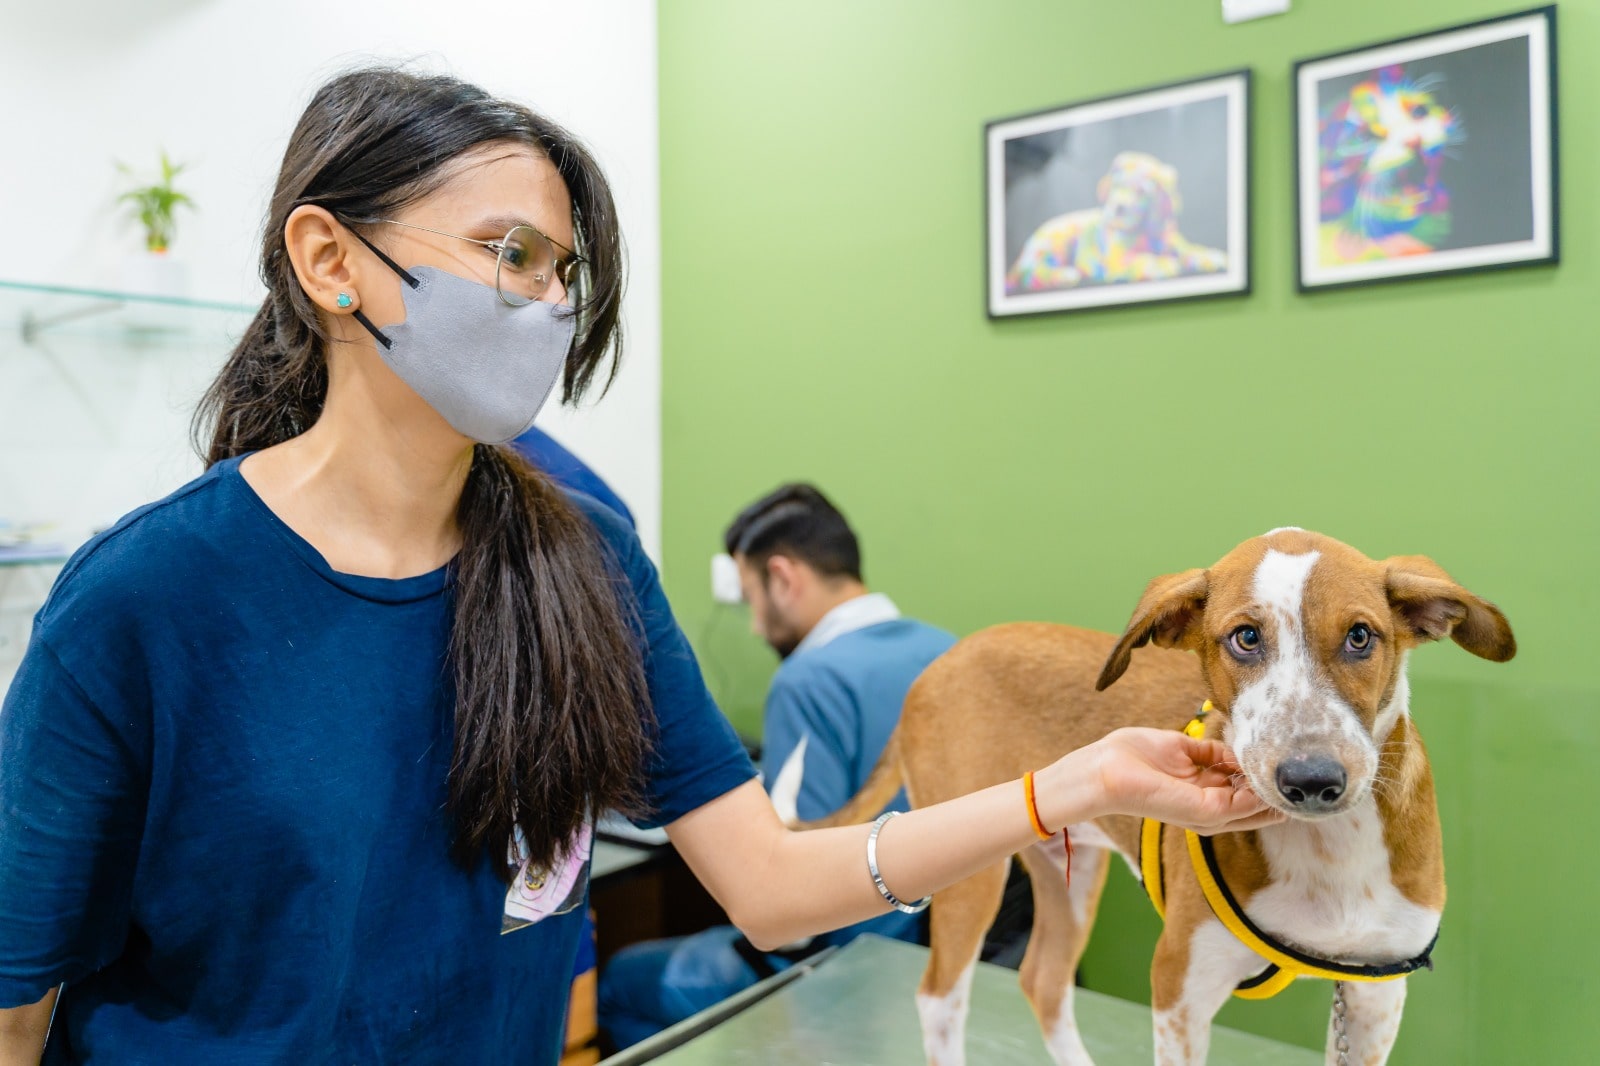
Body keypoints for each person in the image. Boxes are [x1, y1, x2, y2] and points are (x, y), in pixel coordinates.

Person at [0, 68, 1279, 1065]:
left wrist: (1071, 783)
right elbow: (16, 1008)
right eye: (507, 254)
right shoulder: (143, 604)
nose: (549, 303)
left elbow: (774, 887)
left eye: (564, 271)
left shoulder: (580, 560)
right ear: (331, 261)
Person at [597, 483, 955, 1049]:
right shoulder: (947, 651)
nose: (757, 627)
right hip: (938, 957)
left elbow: (790, 906)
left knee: (620, 980)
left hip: (845, 975)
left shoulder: (810, 681)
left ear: (783, 578)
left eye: (750, 599)